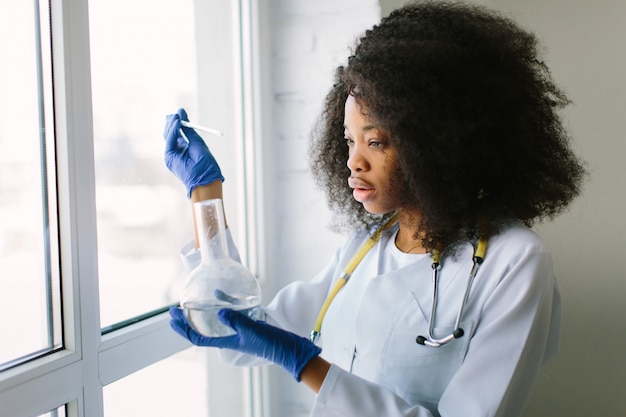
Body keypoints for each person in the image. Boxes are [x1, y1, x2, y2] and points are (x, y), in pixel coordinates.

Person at [162, 1, 586, 416]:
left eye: (376, 141)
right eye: (349, 140)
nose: (354, 161)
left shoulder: (515, 262)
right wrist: (205, 191)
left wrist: (306, 364)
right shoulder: (366, 247)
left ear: (438, 144)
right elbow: (242, 329)